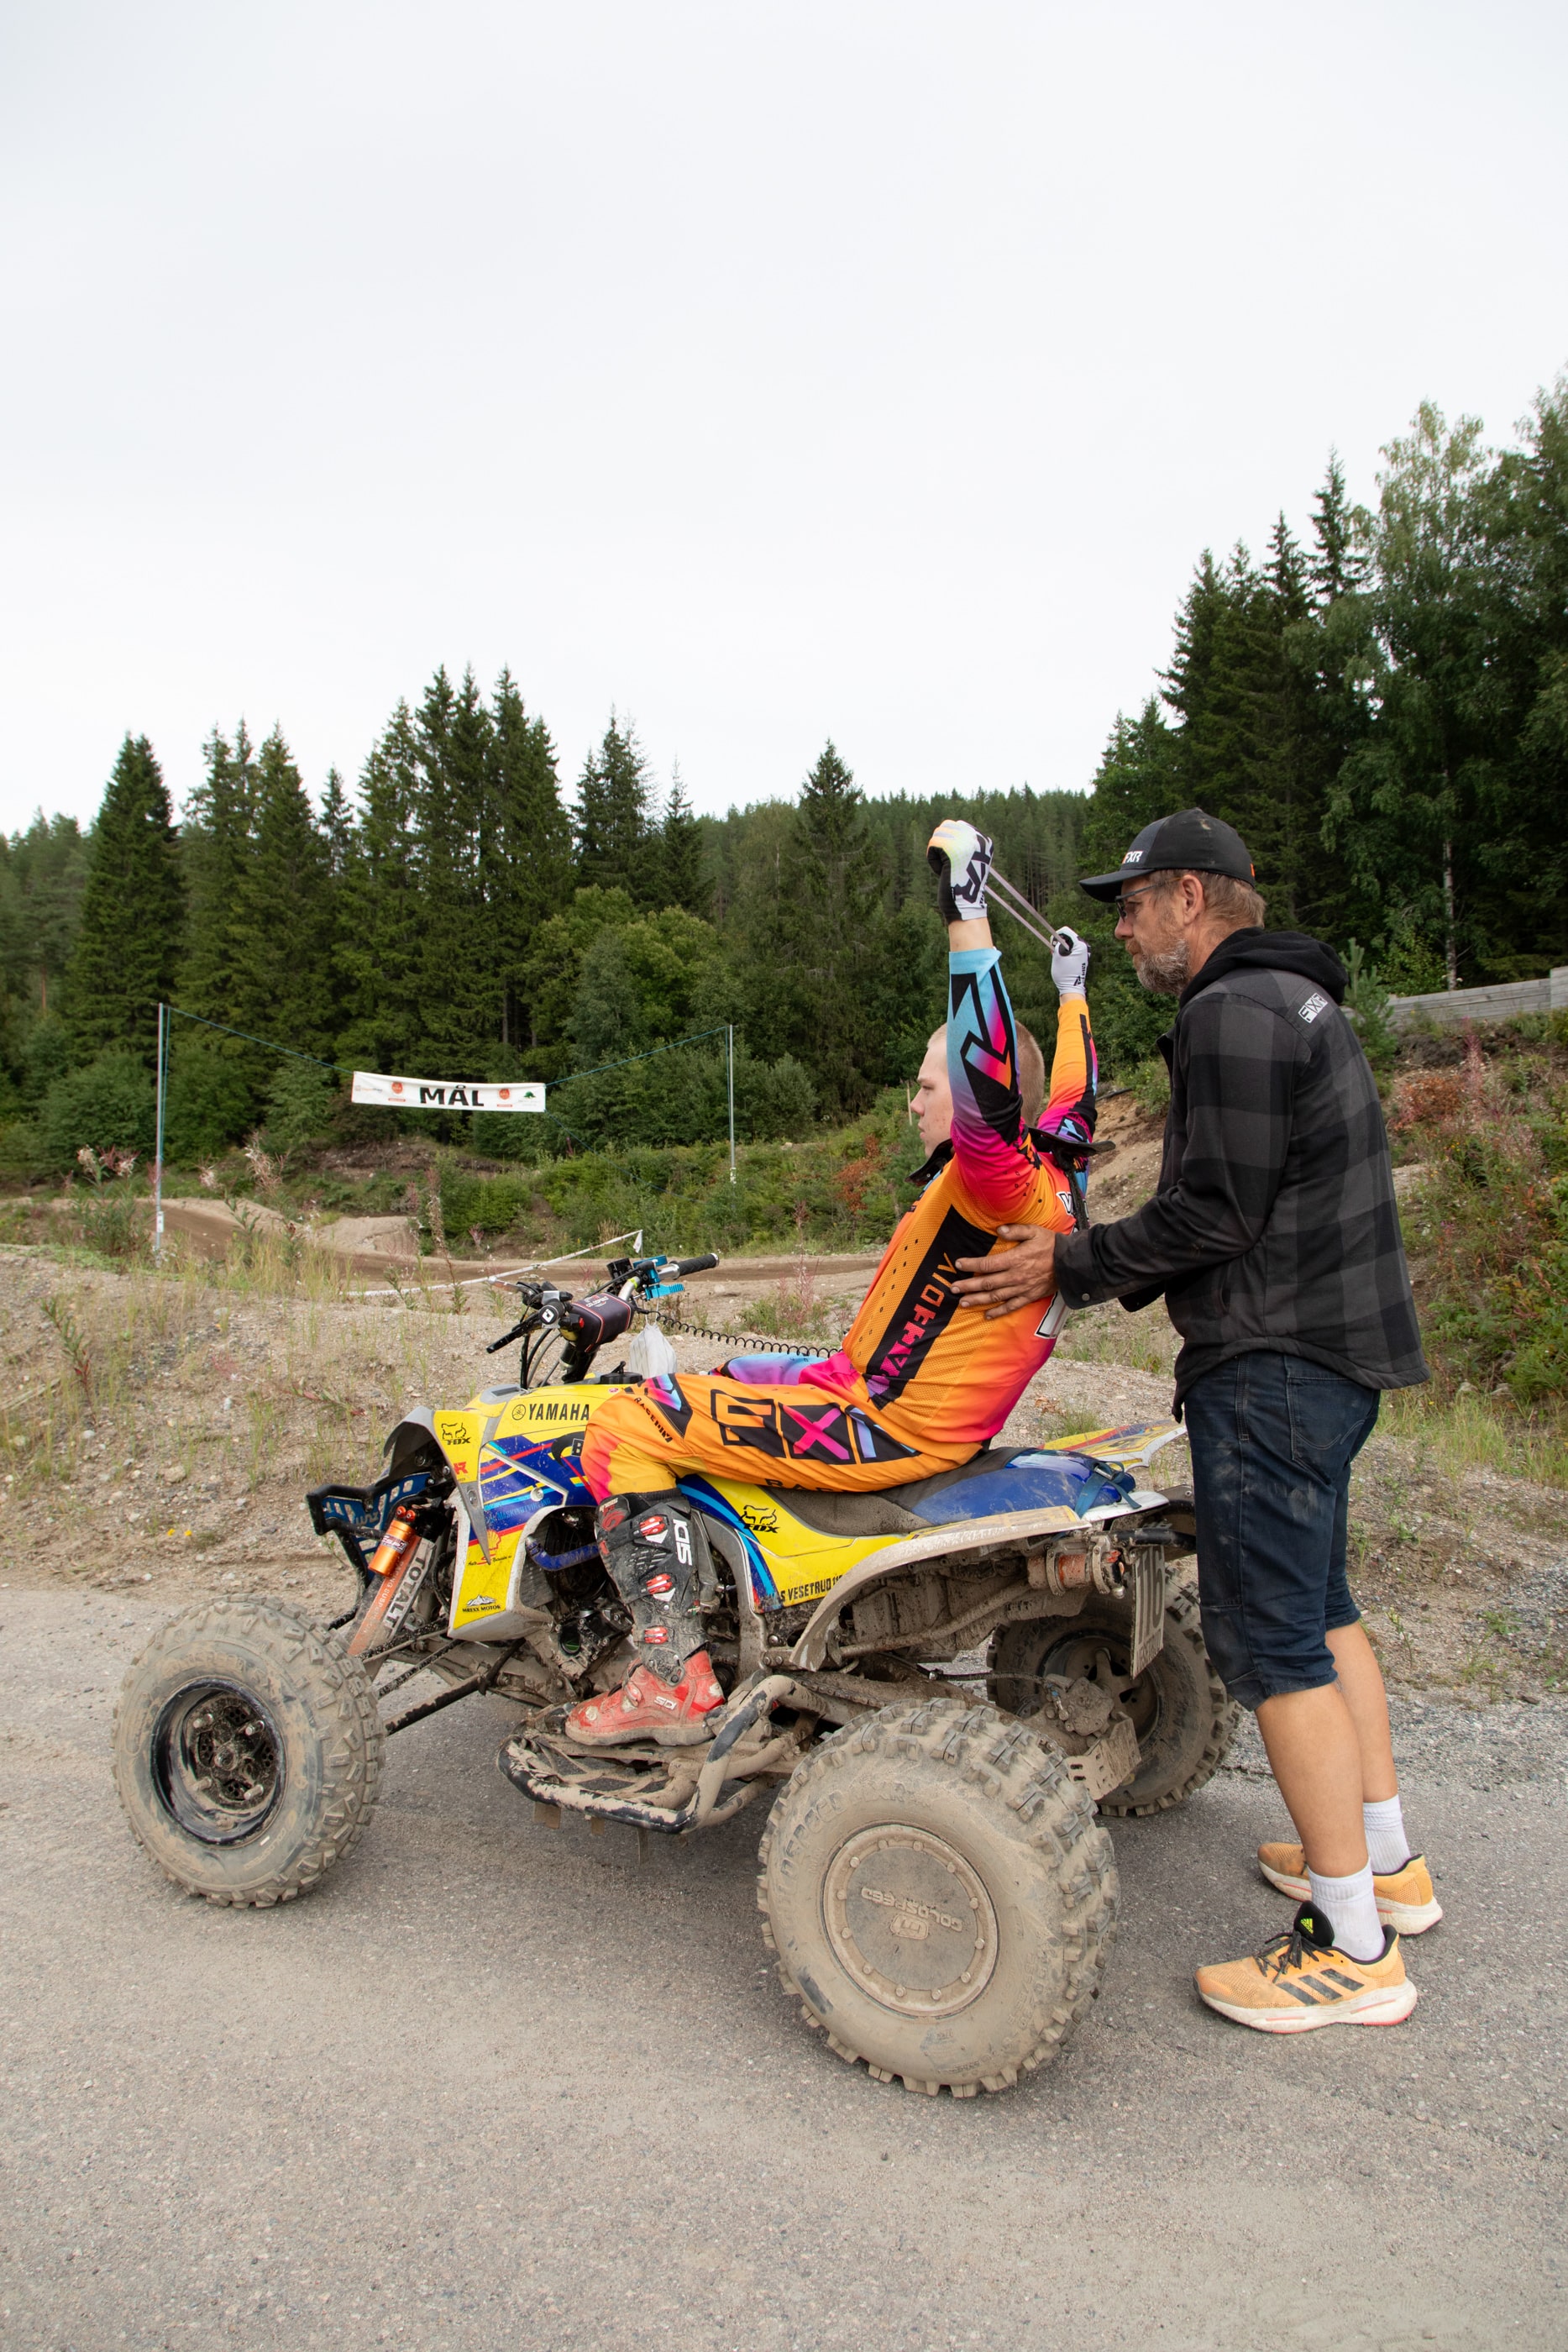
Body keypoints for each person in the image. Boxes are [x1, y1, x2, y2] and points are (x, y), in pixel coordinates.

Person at [950, 806, 1436, 2033]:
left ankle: (1349, 1945)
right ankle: (1384, 1864)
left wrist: (1064, 1262)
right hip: (1337, 1361)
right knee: (1324, 1614)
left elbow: (1211, 1216)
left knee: (1270, 1646)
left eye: (1130, 907)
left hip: (1270, 1365)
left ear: (1188, 895)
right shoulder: (1300, 1003)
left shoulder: (1228, 1011)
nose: (1120, 931)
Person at [565, 817, 1099, 1746]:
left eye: (924, 1086)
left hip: (878, 1423)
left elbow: (989, 1094)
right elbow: (1074, 1095)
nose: (915, 1101)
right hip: (872, 1395)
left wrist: (965, 914)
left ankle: (672, 1678)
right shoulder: (1060, 1170)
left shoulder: (994, 1179)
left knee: (619, 1427)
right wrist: (1072, 994)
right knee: (716, 1382)